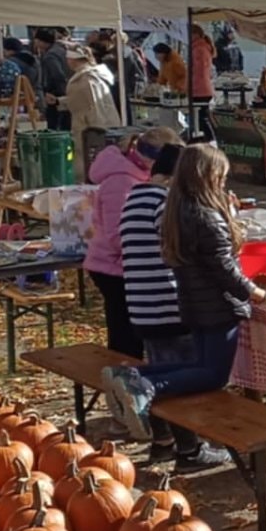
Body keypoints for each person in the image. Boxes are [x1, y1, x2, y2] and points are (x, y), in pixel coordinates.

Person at [103, 144, 266, 439]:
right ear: (209, 175)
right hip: (216, 306)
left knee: (198, 365)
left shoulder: (178, 210)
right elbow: (225, 271)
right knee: (213, 375)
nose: (224, 183)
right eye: (222, 177)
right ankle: (147, 386)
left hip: (192, 303)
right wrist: (264, 296)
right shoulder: (205, 217)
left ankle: (135, 375)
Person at [116, 142, 220, 468]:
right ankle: (190, 449)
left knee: (161, 371)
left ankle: (163, 442)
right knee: (183, 379)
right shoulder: (164, 204)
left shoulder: (134, 198)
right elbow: (187, 247)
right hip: (169, 304)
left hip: (142, 305)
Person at [85, 127, 175, 361]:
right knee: (126, 337)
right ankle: (123, 375)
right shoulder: (121, 180)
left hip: (127, 265)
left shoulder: (137, 174)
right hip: (113, 267)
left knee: (132, 333)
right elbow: (120, 235)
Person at [64, 43, 123, 176]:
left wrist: (96, 131)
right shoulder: (86, 76)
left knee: (90, 163)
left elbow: (96, 105)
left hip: (91, 128)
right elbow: (81, 100)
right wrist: (60, 102)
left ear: (72, 59)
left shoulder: (88, 79)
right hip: (88, 126)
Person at [33, 28, 72, 130]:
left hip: (56, 93)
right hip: (68, 90)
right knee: (66, 123)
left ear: (41, 41)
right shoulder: (62, 50)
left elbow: (57, 75)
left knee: (55, 125)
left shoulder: (50, 56)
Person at [189, 25, 216, 138]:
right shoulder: (202, 47)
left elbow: (198, 70)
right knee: (201, 117)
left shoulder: (198, 49)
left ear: (195, 34)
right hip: (204, 87)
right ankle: (207, 138)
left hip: (199, 88)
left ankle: (210, 138)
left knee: (200, 118)